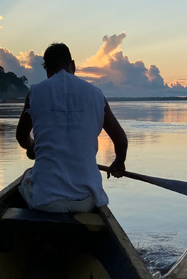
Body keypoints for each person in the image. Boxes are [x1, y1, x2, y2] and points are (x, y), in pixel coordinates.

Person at [16, 42, 128, 213]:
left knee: (26, 177)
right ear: (73, 65)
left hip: (46, 201)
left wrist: (32, 147)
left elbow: (21, 137)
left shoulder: (35, 93)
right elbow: (121, 141)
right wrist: (119, 162)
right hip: (86, 200)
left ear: (47, 71)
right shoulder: (96, 95)